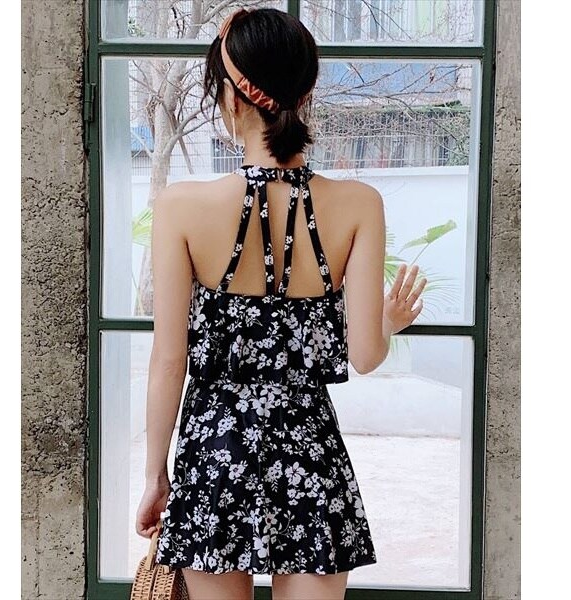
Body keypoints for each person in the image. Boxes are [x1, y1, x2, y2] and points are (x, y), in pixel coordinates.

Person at [135, 7, 426, 600]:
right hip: (310, 451)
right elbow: (365, 355)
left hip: (214, 451)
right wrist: (385, 322)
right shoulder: (359, 203)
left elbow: (169, 361)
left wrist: (154, 475)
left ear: (231, 98)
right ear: (307, 92)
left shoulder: (181, 207)